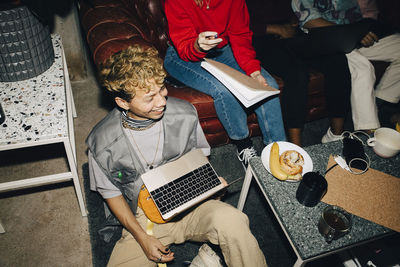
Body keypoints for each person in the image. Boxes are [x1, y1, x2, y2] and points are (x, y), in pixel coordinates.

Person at [86, 45, 267, 267]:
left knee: (235, 222)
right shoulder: (101, 142)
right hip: (144, 219)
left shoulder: (185, 113)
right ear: (123, 102)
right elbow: (111, 194)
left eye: (161, 89)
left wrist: (207, 186)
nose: (162, 101)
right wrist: (142, 239)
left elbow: (201, 157)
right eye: (149, 97)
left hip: (191, 201)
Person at [163, 0, 286, 168]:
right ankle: (243, 144)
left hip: (222, 50)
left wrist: (254, 72)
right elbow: (184, 47)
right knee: (225, 91)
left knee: (268, 86)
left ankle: (278, 151)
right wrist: (198, 46)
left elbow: (240, 35)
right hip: (182, 54)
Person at [246, 0, 352, 146]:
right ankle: (296, 146)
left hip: (291, 33)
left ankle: (335, 135)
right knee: (297, 73)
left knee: (336, 59)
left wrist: (293, 19)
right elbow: (237, 22)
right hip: (261, 39)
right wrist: (274, 28)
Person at [292, 0, 400, 134]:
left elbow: (356, 16)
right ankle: (368, 130)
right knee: (363, 68)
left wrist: (362, 31)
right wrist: (353, 32)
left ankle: (378, 106)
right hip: (329, 39)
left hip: (357, 35)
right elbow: (309, 21)